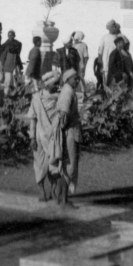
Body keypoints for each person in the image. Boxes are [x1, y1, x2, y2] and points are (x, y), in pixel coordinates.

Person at [26, 69, 65, 202]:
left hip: (53, 137)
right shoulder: (36, 98)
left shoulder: (60, 98)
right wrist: (32, 138)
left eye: (58, 84)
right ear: (48, 85)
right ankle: (42, 191)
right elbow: (33, 118)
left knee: (54, 164)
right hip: (38, 137)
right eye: (55, 84)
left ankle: (54, 189)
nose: (57, 86)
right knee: (39, 165)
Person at [57, 69, 82, 203]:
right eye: (75, 79)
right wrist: (63, 128)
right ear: (68, 79)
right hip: (70, 132)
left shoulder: (68, 90)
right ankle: (64, 199)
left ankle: (61, 197)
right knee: (70, 165)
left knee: (67, 164)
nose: (77, 81)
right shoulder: (68, 92)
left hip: (71, 131)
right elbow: (63, 113)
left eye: (78, 78)